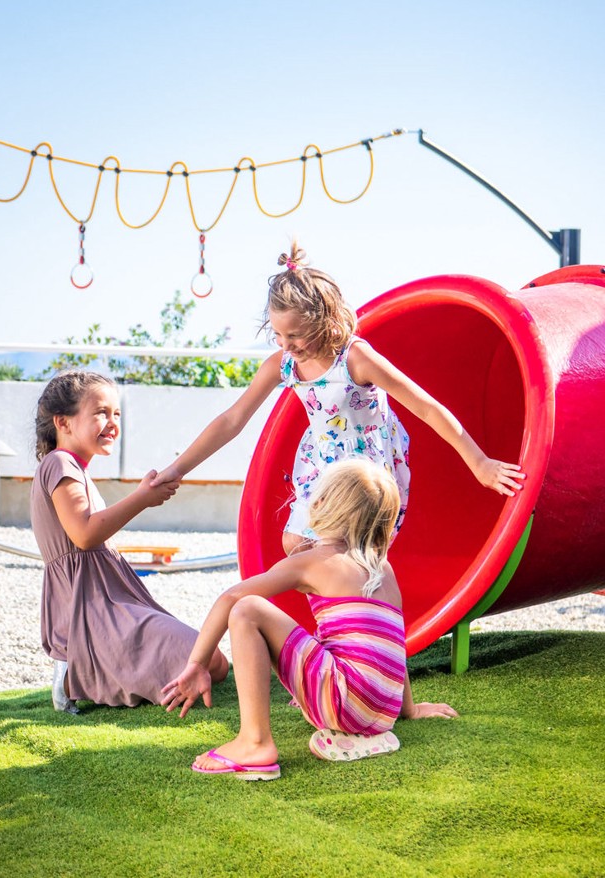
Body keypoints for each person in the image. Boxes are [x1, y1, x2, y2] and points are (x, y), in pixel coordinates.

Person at [151, 242, 524, 554]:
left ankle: (364, 625)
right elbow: (232, 420)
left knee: (340, 550)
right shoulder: (282, 366)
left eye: (295, 335)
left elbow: (424, 406)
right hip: (322, 463)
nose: (286, 345)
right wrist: (177, 469)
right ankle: (337, 626)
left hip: (365, 468)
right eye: (279, 335)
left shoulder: (356, 359)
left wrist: (479, 463)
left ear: (325, 321)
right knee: (294, 543)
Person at [161, 460, 458, 781]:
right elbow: (391, 646)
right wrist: (408, 710)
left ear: (319, 505)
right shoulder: (384, 569)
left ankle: (254, 742)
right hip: (381, 715)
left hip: (344, 705)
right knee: (328, 636)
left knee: (247, 610)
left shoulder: (313, 562)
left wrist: (198, 664)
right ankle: (356, 731)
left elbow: (231, 598)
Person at [30, 370, 229, 713]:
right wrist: (142, 498)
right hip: (92, 607)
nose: (112, 422)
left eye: (116, 414)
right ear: (63, 423)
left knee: (215, 663)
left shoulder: (72, 467)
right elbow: (85, 533)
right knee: (209, 660)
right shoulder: (59, 463)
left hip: (107, 598)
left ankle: (93, 670)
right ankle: (74, 673)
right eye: (100, 413)